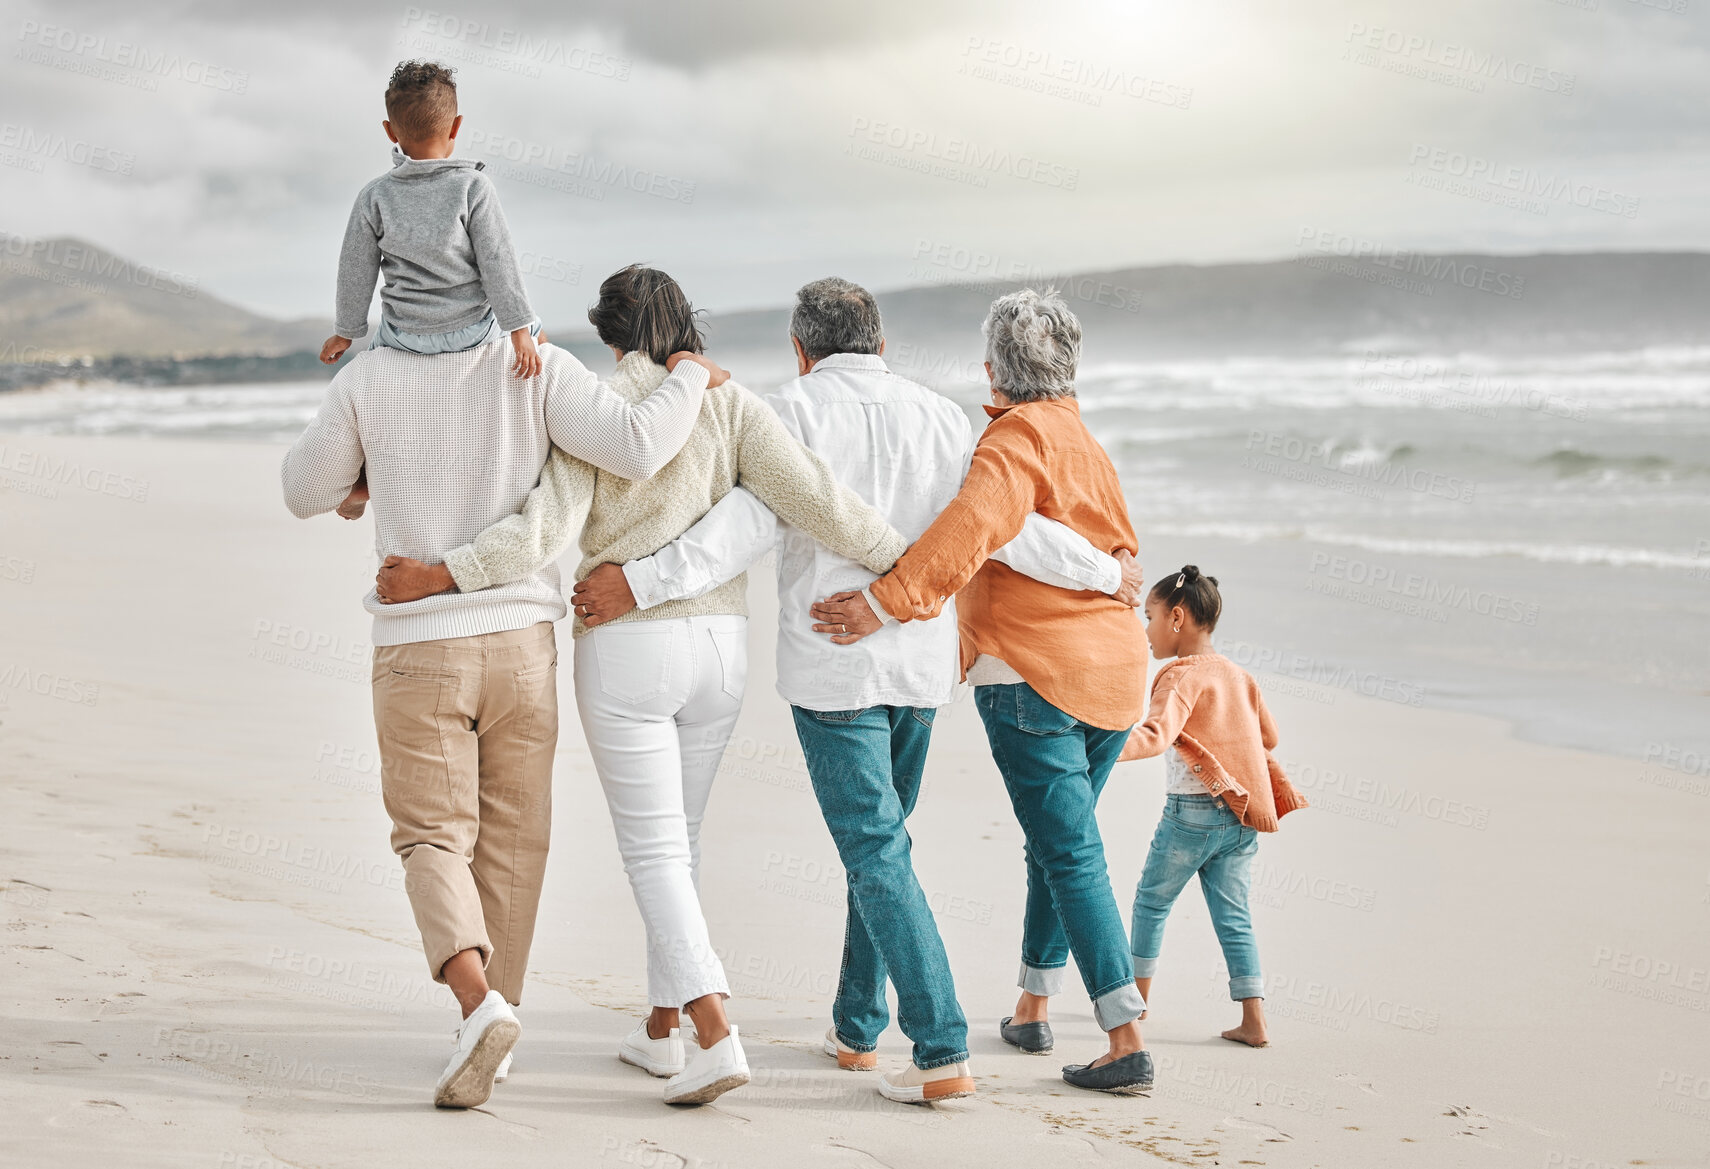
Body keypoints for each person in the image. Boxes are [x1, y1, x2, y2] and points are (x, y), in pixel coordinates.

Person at [569, 277, 1145, 1103]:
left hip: (837, 662)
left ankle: (941, 1046)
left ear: (802, 350)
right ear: (880, 346)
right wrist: (1107, 574)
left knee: (876, 850)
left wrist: (645, 582)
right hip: (918, 670)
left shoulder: (794, 410)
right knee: (883, 848)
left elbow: (746, 527)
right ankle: (855, 1025)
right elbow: (1006, 530)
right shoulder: (946, 418)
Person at [371, 265, 914, 1106]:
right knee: (680, 843)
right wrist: (905, 573)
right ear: (682, 322)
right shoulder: (728, 400)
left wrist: (445, 574)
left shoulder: (599, 404)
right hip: (720, 647)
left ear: (612, 333)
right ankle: (661, 1031)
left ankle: (714, 1029)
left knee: (655, 850)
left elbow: (541, 532)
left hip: (630, 646)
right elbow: (816, 497)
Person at [282, 295, 722, 1108]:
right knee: (517, 840)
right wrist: (689, 371)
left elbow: (302, 490)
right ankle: (498, 1016)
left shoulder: (370, 376)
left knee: (431, 836)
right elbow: (635, 445)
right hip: (522, 641)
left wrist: (359, 477)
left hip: (420, 643)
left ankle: (477, 1005)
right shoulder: (539, 365)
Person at [809, 288, 1155, 1094]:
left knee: (1069, 850)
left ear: (994, 371)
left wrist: (884, 601)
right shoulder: (1085, 443)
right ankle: (1034, 1003)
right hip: (1115, 674)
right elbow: (1110, 553)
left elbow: (974, 529)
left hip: (1036, 677)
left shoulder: (1008, 442)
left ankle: (1124, 1032)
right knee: (1056, 841)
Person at [319, 59, 545, 520]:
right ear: (457, 125)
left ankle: (360, 480)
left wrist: (346, 331)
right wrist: (520, 331)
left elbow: (355, 268)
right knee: (542, 340)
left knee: (367, 395)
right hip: (473, 329)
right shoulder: (473, 187)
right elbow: (497, 262)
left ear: (390, 131)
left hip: (404, 335)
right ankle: (529, 455)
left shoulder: (374, 196)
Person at [1118, 566, 1308, 1048]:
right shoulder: (1238, 675)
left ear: (1177, 617)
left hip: (1191, 814)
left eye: (1150, 616)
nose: (1146, 629)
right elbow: (1270, 736)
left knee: (1151, 903)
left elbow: (1156, 734)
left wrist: (1102, 748)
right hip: (1241, 815)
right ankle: (1254, 1020)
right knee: (1235, 916)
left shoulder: (1179, 676)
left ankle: (1135, 1006)